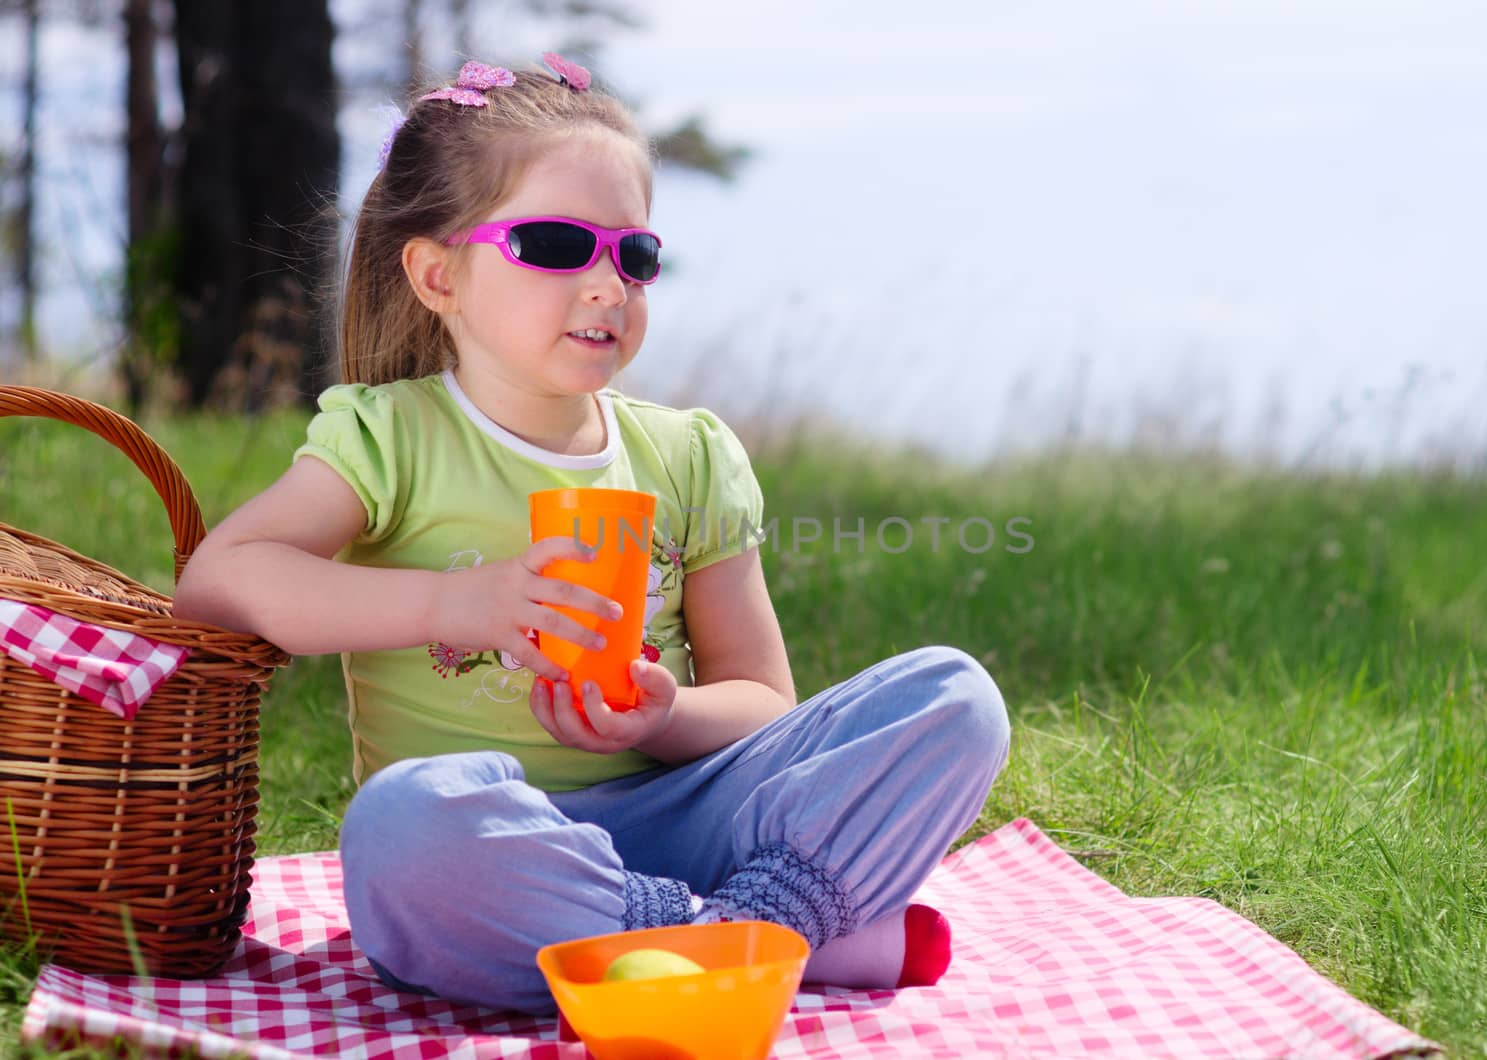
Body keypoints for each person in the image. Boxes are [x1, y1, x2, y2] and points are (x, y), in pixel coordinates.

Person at [173, 54, 1010, 1015]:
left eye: (634, 255)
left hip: (683, 818)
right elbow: (219, 578)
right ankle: (760, 939)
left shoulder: (688, 455)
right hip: (498, 851)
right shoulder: (392, 437)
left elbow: (763, 706)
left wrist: (664, 720)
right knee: (401, 826)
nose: (609, 285)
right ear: (439, 274)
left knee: (954, 696)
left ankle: (709, 934)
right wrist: (458, 601)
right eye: (558, 245)